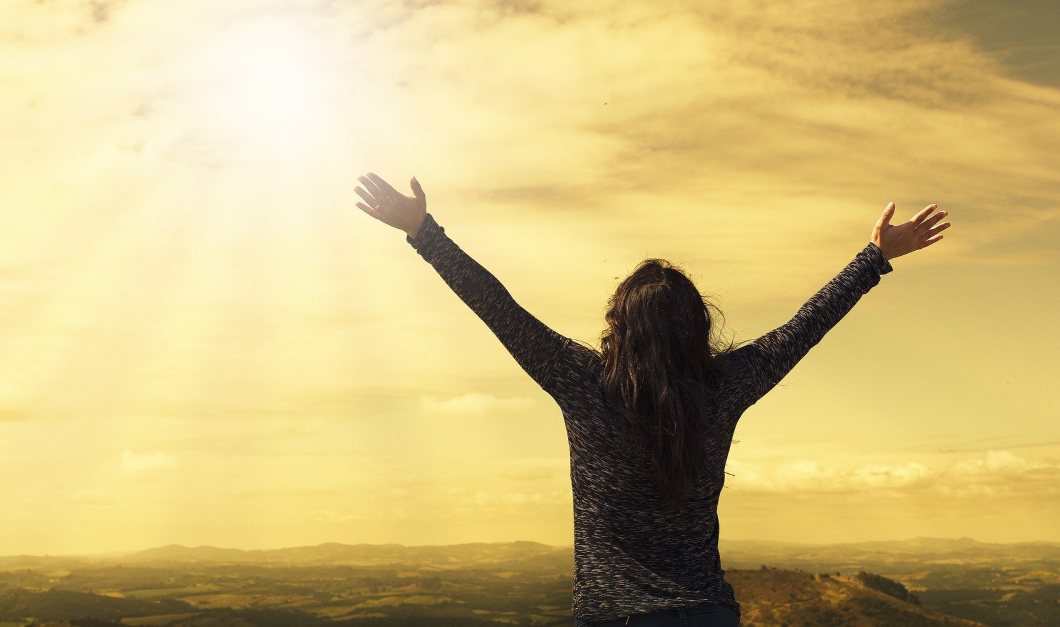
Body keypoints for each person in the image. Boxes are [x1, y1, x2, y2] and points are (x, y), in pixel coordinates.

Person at [352, 172, 950, 627]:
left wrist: (424, 234)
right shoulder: (725, 387)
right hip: (708, 611)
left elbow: (499, 309)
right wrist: (874, 258)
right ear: (697, 326)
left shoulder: (584, 382)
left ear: (618, 325)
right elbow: (804, 325)